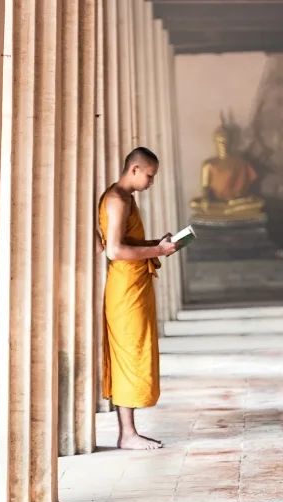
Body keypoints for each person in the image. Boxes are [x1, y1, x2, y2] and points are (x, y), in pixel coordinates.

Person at [98, 147, 178, 450]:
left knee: (136, 350)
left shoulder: (126, 198)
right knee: (129, 353)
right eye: (149, 175)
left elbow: (126, 242)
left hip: (133, 283)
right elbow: (115, 250)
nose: (151, 182)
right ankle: (127, 433)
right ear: (134, 169)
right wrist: (157, 251)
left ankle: (129, 431)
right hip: (124, 286)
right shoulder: (117, 199)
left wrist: (156, 244)